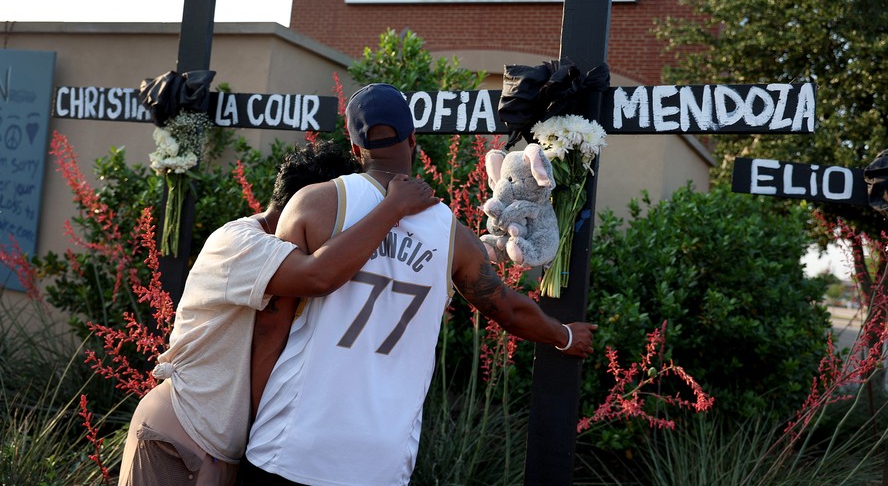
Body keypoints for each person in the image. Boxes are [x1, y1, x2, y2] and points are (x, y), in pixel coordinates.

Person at [241, 83, 597, 486]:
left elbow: (272, 325)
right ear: (413, 138)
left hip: (290, 446)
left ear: (356, 148)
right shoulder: (453, 235)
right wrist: (563, 335)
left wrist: (253, 421)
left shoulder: (312, 204)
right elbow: (508, 308)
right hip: (381, 461)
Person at [118, 140, 439, 486]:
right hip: (180, 433)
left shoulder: (276, 249)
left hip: (221, 447)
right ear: (309, 204)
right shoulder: (242, 243)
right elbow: (319, 275)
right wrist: (392, 207)